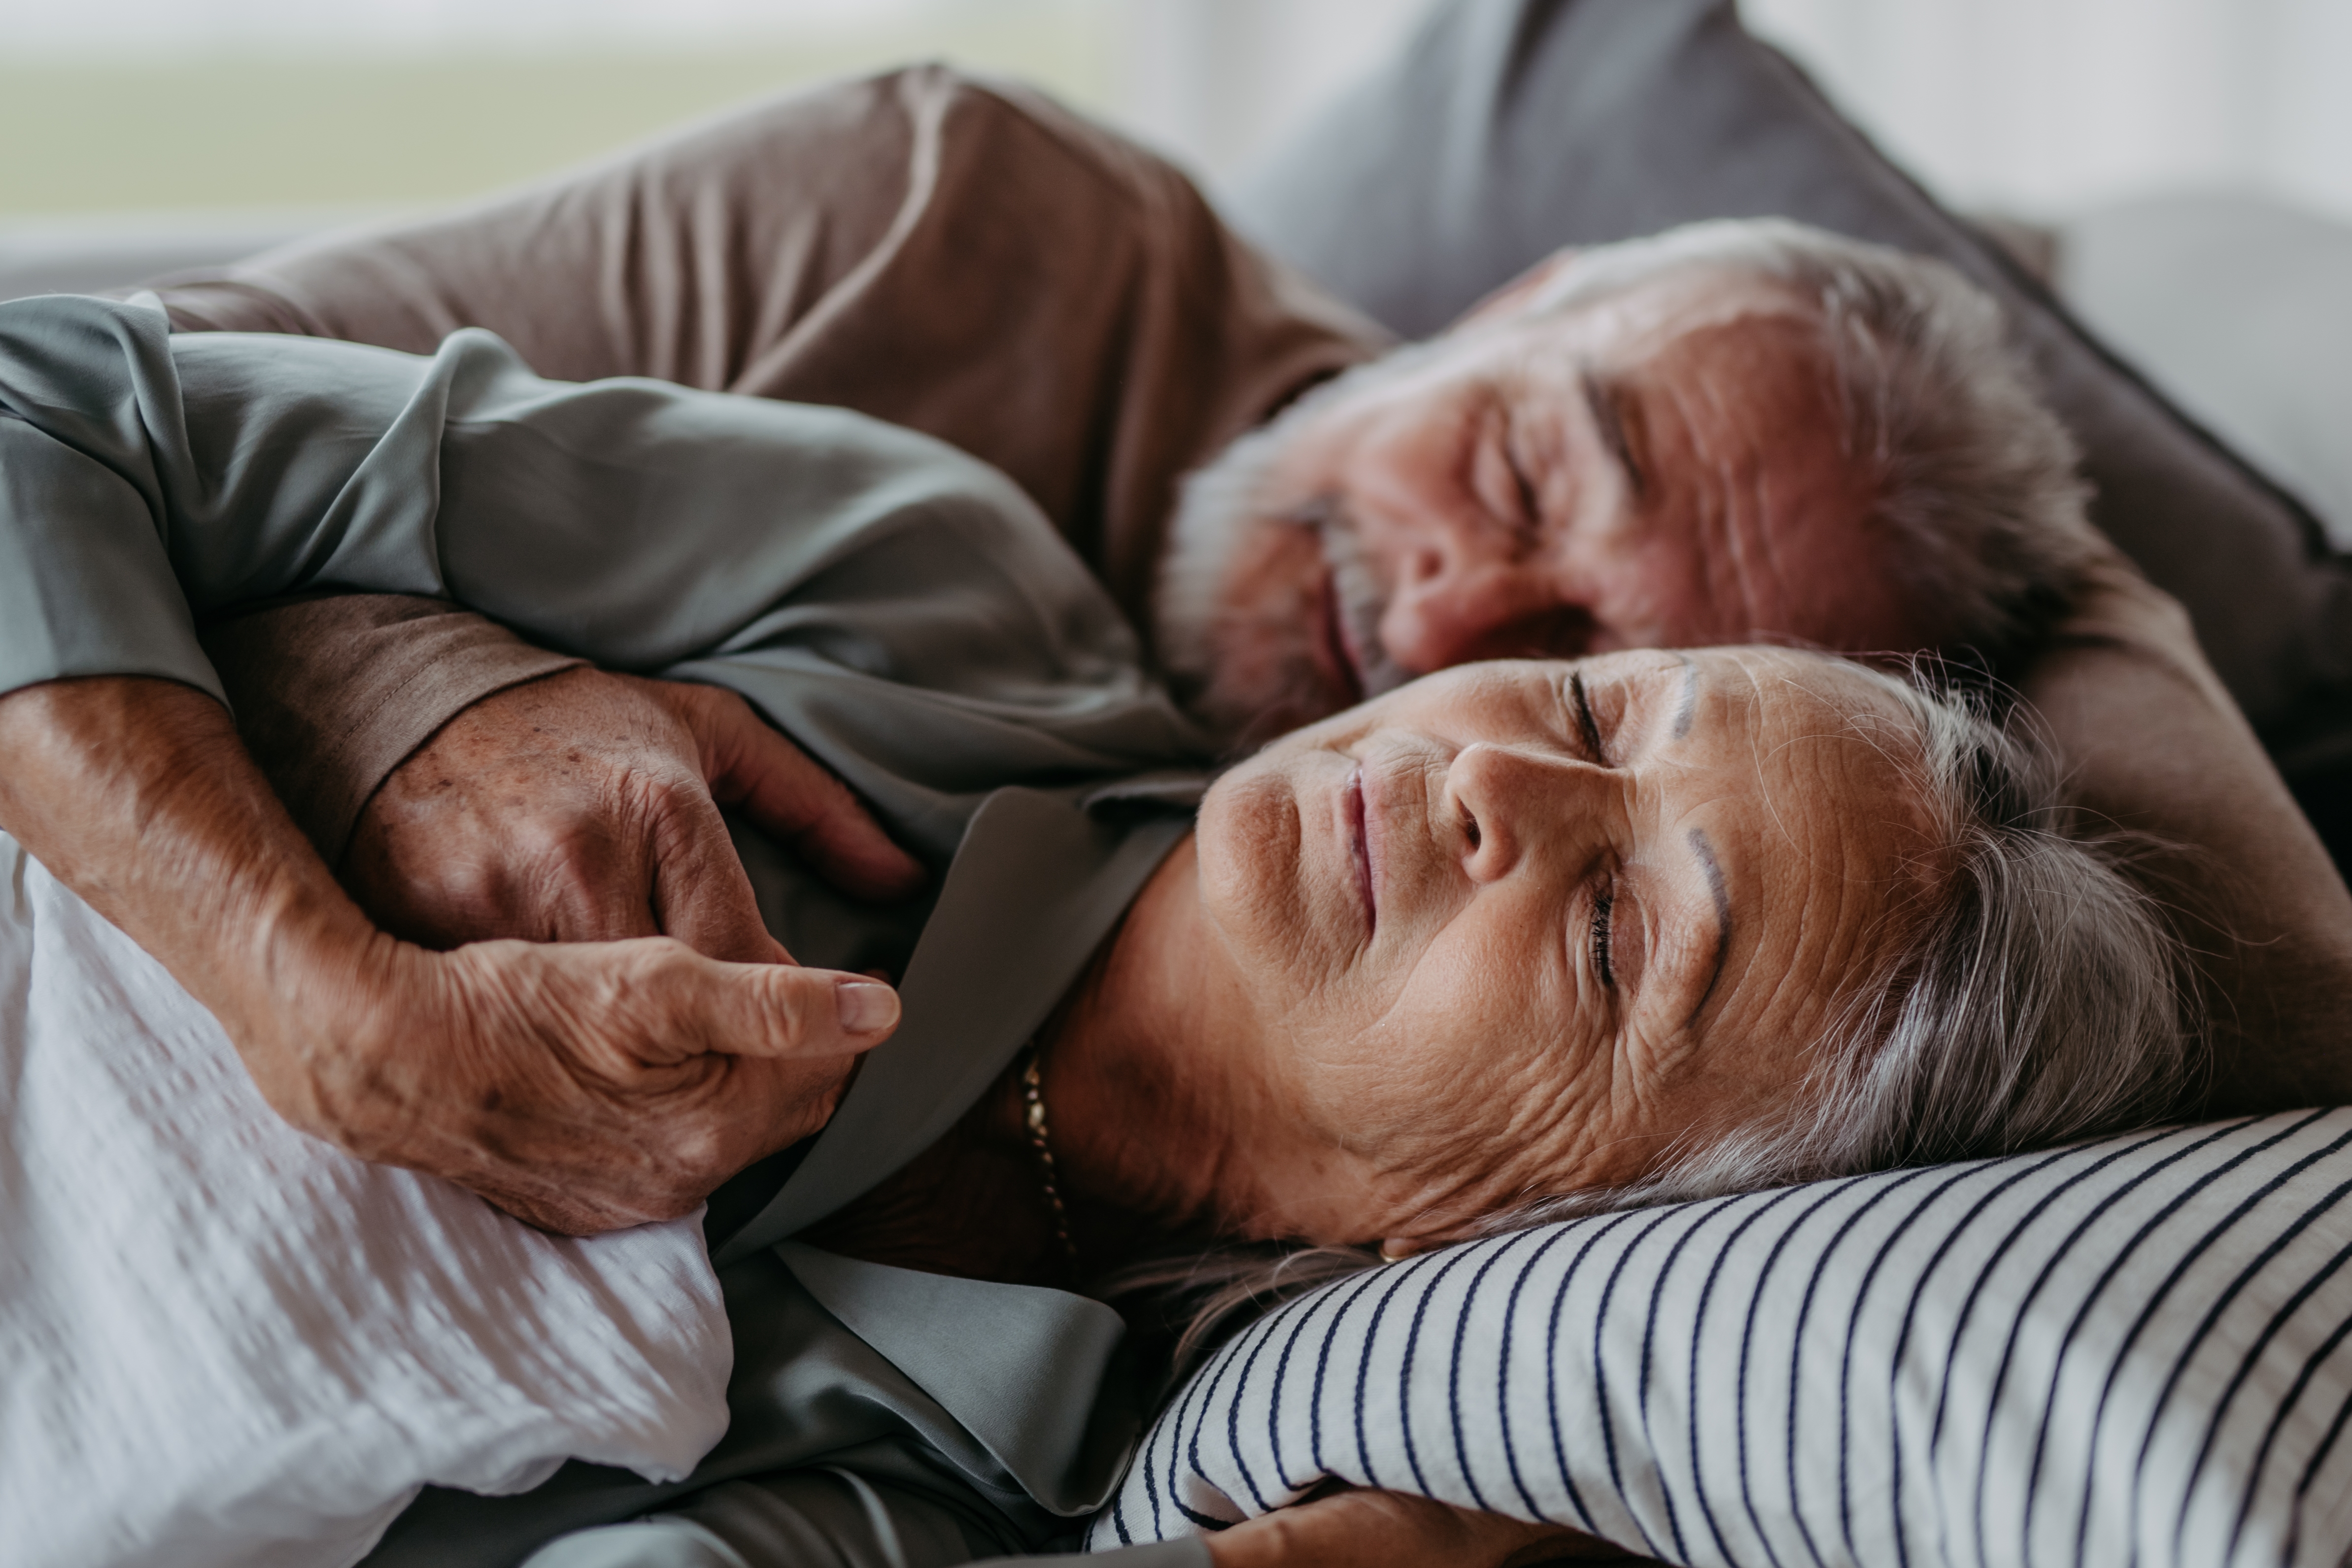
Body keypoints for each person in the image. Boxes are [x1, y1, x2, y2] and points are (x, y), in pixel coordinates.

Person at [0, 292, 2189, 1568]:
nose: (1491, 778)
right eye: (1599, 710)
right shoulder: (917, 598)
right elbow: (36, 395)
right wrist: (302, 974)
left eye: (1626, 933)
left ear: (1536, 1220)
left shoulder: (957, 1473)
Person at [117, 67, 2351, 1205]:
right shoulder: (956, 222)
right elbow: (85, 408)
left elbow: (2294, 1019)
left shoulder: (1397, 1035)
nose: (1452, 629)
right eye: (1524, 475)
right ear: (1509, 292)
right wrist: (423, 691)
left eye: (1601, 642)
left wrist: (2109, 588)